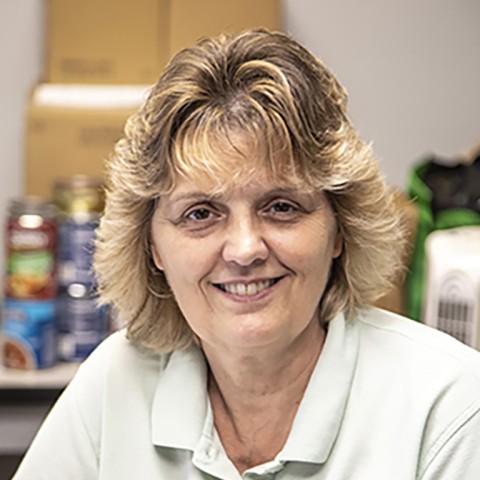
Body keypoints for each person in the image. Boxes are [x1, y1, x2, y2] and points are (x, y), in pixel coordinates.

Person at [13, 29, 480, 480]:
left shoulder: (449, 408)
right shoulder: (114, 383)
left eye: (281, 207)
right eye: (200, 214)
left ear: (340, 228)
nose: (244, 249)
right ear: (152, 245)